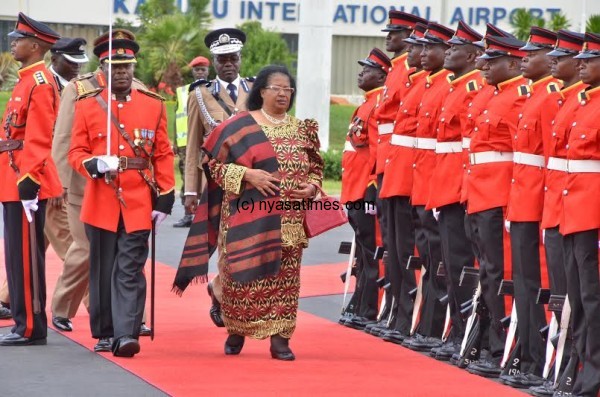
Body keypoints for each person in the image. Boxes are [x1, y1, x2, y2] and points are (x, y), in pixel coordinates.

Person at [174, 65, 323, 361]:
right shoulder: (239, 125)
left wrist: (313, 188)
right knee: (242, 276)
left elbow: (317, 169)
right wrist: (247, 175)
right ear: (261, 92)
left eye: (288, 89)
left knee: (286, 280)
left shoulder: (301, 128)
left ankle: (281, 338)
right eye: (277, 88)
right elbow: (213, 166)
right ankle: (236, 329)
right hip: (246, 217)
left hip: (290, 220)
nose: (284, 94)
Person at [68, 32, 175, 357]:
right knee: (102, 268)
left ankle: (126, 333)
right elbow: (75, 151)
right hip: (101, 199)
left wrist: (167, 193)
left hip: (139, 200)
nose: (123, 73)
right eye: (116, 67)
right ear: (104, 68)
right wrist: (94, 163)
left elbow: (162, 153)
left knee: (129, 267)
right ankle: (105, 331)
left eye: (127, 66)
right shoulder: (87, 106)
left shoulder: (153, 105)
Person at [51, 29, 153, 337]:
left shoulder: (138, 88)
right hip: (85, 187)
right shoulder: (79, 89)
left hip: (128, 190)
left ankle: (129, 317)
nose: (119, 66)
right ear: (102, 60)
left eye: (125, 61)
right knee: (85, 249)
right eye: (112, 58)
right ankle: (61, 307)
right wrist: (61, 184)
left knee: (126, 258)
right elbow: (65, 138)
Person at [465, 36, 529, 378]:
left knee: (497, 270)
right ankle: (487, 338)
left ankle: (499, 343)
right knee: (486, 269)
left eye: (494, 60)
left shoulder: (518, 96)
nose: (485, 65)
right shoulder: (492, 93)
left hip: (499, 192)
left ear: (514, 64)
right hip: (478, 189)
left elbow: (523, 154)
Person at [502, 27, 561, 389]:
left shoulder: (551, 97)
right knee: (523, 283)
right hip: (521, 197)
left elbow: (552, 160)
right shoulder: (533, 95)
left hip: (539, 200)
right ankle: (527, 354)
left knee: (539, 284)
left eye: (532, 54)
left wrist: (544, 207)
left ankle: (540, 358)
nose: (524, 58)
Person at [183, 28, 254, 328]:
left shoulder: (256, 90)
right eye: (222, 59)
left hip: (254, 181)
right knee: (226, 242)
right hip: (218, 182)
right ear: (213, 62)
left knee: (247, 244)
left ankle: (218, 287)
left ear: (240, 59)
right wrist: (189, 190)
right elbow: (192, 145)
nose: (228, 63)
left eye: (233, 58)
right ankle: (228, 304)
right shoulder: (199, 94)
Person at [0, 13, 62, 346]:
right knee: (16, 254)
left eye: (19, 38)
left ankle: (29, 327)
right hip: (11, 176)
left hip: (24, 179)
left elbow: (39, 137)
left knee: (24, 255)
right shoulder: (26, 80)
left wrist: (29, 180)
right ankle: (24, 321)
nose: (13, 42)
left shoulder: (39, 82)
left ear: (35, 46)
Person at [426, 20, 483, 361]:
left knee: (460, 262)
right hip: (445, 183)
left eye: (454, 48)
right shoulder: (455, 85)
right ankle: (458, 331)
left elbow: (469, 148)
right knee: (449, 260)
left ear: (473, 55)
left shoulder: (472, 87)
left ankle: (465, 334)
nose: (448, 52)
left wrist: (462, 188)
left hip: (460, 185)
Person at [369, 10, 426, 339]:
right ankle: (393, 310)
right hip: (390, 160)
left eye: (394, 34)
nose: (388, 38)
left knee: (403, 245)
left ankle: (404, 316)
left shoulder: (412, 71)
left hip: (403, 161)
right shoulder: (397, 69)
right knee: (391, 243)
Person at [560, 32, 600, 397]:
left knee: (592, 296)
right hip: (575, 209)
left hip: (593, 212)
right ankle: (580, 371)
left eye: (590, 61)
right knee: (580, 295)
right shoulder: (585, 103)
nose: (582, 65)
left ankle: (593, 377)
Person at [340, 48, 390, 329]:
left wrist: (372, 184)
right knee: (362, 251)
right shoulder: (365, 104)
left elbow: (377, 149)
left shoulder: (377, 104)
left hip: (365, 189)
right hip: (354, 187)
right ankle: (360, 301)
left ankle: (368, 306)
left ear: (382, 75)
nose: (361, 73)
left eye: (367, 69)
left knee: (370, 252)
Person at [46, 37, 89, 332]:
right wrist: (56, 182)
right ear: (56, 57)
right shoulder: (43, 83)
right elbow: (56, 138)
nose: (75, 66)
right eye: (70, 60)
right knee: (77, 246)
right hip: (48, 178)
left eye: (79, 61)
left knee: (41, 242)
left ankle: (8, 299)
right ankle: (94, 305)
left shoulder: (79, 86)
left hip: (61, 175)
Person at [173, 55, 211, 228]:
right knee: (187, 176)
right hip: (185, 143)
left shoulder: (214, 90)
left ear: (208, 71)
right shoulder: (183, 91)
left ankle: (205, 213)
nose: (200, 72)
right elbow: (176, 116)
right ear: (193, 72)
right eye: (197, 70)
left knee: (206, 176)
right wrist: (175, 141)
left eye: (203, 69)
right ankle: (188, 213)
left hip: (207, 143)